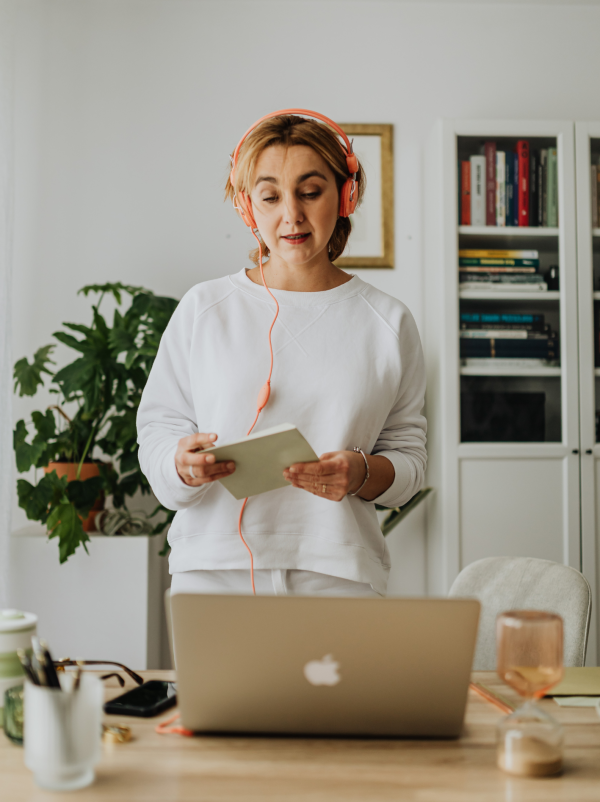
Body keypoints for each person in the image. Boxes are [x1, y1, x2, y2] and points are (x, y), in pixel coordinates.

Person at [137, 112, 426, 599]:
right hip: (213, 569)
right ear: (249, 208)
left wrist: (359, 472)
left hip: (339, 572)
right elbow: (159, 430)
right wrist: (180, 465)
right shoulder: (204, 308)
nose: (290, 214)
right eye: (270, 197)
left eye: (310, 192)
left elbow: (409, 461)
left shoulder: (388, 321)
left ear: (346, 195)